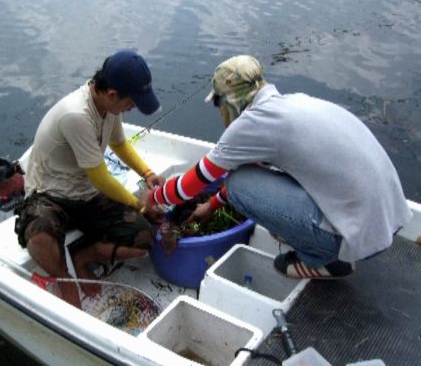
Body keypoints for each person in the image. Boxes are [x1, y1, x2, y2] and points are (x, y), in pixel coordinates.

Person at [147, 55, 412, 279]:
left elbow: (192, 184)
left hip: (355, 239)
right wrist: (211, 206)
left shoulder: (253, 122)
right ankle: (325, 241)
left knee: (238, 184)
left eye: (218, 103)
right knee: (245, 176)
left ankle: (324, 260)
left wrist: (153, 199)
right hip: (388, 219)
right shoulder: (292, 102)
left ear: (230, 100)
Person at [15, 50, 165, 308]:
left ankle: (83, 256)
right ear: (111, 94)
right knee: (39, 237)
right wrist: (139, 205)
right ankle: (64, 280)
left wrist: (147, 173)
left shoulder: (110, 109)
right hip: (51, 196)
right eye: (131, 103)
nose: (132, 109)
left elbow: (119, 144)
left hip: (87, 195)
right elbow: (100, 178)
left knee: (143, 238)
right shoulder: (76, 115)